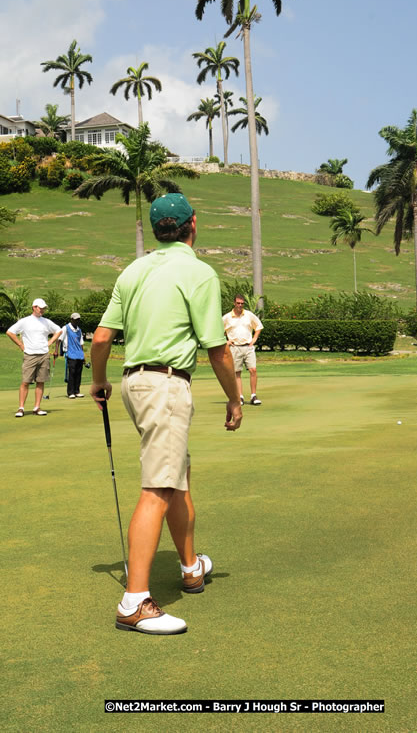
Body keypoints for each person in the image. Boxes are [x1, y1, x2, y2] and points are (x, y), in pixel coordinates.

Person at [90, 193, 242, 636]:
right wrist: (234, 399)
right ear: (193, 224)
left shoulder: (134, 269)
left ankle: (191, 567)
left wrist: (98, 382)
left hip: (134, 383)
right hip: (167, 384)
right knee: (158, 487)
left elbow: (101, 339)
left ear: (157, 229)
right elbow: (216, 349)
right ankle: (135, 602)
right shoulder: (198, 271)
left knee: (178, 477)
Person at [6, 298, 62, 417]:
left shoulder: (46, 322)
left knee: (40, 381)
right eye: (40, 308)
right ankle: (21, 408)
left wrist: (50, 342)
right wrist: (21, 345)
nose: (42, 310)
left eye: (43, 308)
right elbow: (10, 332)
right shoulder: (25, 321)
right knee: (25, 382)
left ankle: (37, 407)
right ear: (34, 307)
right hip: (30, 355)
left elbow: (59, 331)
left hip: (44, 354)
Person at [222, 294, 264, 406]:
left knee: (253, 370)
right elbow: (218, 330)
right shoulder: (227, 317)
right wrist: (226, 341)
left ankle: (253, 396)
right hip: (235, 347)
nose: (240, 305)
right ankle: (239, 396)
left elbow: (259, 326)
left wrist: (254, 339)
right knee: (237, 372)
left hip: (248, 346)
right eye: (238, 303)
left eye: (242, 303)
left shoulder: (249, 315)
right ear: (234, 303)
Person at [56, 312, 86, 398]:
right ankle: (71, 392)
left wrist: (83, 355)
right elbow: (59, 339)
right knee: (72, 373)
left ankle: (77, 391)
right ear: (71, 319)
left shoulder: (79, 330)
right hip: (70, 353)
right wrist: (56, 351)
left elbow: (81, 343)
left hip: (79, 354)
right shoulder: (66, 328)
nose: (77, 321)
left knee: (78, 373)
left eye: (78, 320)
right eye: (76, 320)